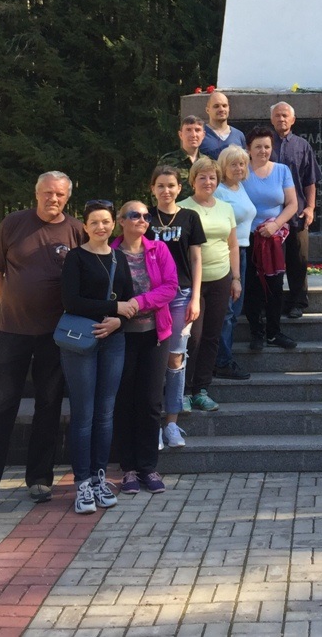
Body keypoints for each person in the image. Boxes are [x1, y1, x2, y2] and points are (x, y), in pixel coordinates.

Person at [0, 172, 87, 522]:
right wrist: (9, 304)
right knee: (1, 407)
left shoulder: (76, 230)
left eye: (59, 194)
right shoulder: (13, 224)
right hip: (13, 331)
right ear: (36, 193)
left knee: (48, 403)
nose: (52, 199)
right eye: (47, 193)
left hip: (55, 334)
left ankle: (39, 479)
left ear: (67, 198)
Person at [57, 200, 136, 514]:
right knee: (84, 414)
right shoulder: (76, 258)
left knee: (105, 413)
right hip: (80, 343)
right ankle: (83, 484)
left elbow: (128, 301)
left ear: (112, 224)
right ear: (85, 227)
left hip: (114, 341)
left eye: (106, 222)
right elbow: (72, 301)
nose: (101, 227)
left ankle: (100, 477)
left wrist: (120, 320)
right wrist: (113, 309)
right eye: (94, 223)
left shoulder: (119, 257)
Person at [111, 201, 178, 495]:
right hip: (119, 336)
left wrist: (138, 303)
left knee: (150, 402)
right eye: (134, 215)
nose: (141, 220)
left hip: (154, 335)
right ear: (121, 221)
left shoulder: (158, 250)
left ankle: (149, 467)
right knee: (124, 401)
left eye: (145, 216)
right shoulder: (110, 253)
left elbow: (170, 287)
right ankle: (128, 469)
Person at [146, 166, 206, 450]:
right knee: (152, 361)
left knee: (175, 359)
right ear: (152, 189)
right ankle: (152, 425)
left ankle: (171, 423)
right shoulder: (144, 217)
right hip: (150, 297)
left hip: (181, 296)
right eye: (160, 185)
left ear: (179, 188)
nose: (166, 190)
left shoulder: (189, 217)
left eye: (171, 185)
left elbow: (196, 260)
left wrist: (195, 297)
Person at [180, 157, 241, 410]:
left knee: (212, 336)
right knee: (192, 337)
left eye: (213, 177)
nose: (208, 181)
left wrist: (236, 278)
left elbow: (233, 244)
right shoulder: (182, 208)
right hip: (190, 282)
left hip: (220, 278)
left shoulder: (226, 208)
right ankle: (181, 390)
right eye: (202, 177)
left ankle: (201, 390)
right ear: (193, 180)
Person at [242, 126, 299, 351]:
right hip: (248, 237)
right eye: (258, 147)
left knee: (275, 285)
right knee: (253, 286)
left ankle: (274, 332)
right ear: (248, 149)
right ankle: (256, 332)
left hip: (275, 239)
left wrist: (275, 225)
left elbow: (292, 203)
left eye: (267, 146)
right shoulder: (241, 171)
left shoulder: (282, 170)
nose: (263, 151)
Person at [270, 101, 322, 319]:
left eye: (285, 116)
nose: (281, 119)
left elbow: (310, 180)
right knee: (271, 261)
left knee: (297, 259)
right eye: (277, 116)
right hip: (270, 214)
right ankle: (272, 302)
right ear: (271, 119)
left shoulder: (302, 145)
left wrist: (310, 207)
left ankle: (297, 301)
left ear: (293, 120)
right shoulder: (264, 145)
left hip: (297, 213)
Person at [214, 145, 257, 380]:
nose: (239, 168)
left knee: (233, 310)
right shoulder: (219, 192)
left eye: (242, 163)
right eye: (233, 164)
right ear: (223, 167)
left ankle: (223, 357)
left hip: (242, 251)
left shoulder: (240, 187)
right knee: (227, 312)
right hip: (227, 253)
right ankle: (222, 362)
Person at [159, 115, 206, 200]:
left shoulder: (208, 162)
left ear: (203, 135)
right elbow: (158, 190)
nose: (193, 135)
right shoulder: (168, 161)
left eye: (197, 130)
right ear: (180, 135)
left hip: (203, 211)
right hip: (176, 211)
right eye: (188, 130)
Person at [199, 91, 246, 160]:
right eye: (216, 106)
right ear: (207, 110)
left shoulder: (239, 135)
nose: (221, 109)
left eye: (224, 106)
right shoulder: (200, 135)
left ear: (229, 108)